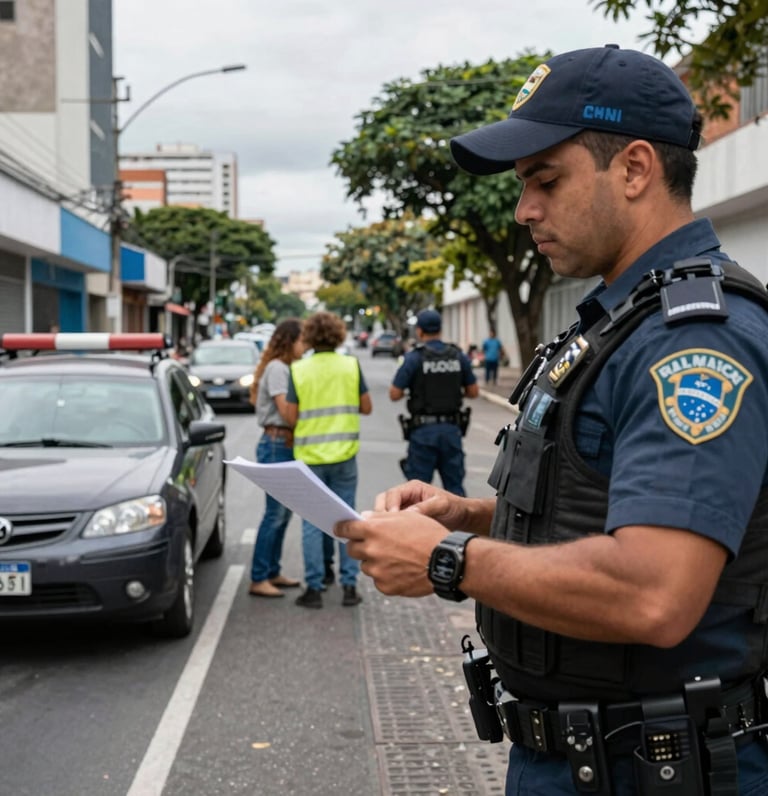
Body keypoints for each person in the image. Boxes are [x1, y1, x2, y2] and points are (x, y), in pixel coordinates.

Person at [336, 45, 768, 795]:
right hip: (582, 758)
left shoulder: (695, 340)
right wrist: (466, 515)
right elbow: (593, 504)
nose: (524, 208)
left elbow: (655, 591)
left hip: (657, 769)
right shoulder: (616, 324)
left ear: (634, 169)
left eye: (545, 179)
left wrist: (449, 560)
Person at [285, 311, 372, 609]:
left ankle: (315, 588)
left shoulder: (298, 370)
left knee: (312, 522)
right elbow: (367, 406)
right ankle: (349, 587)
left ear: (308, 335)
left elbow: (292, 417)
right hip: (345, 454)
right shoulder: (351, 365)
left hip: (309, 456)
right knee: (347, 519)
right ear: (338, 334)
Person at [390, 309, 478, 496]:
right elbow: (473, 392)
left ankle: (421, 526)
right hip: (451, 431)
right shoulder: (458, 356)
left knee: (417, 493)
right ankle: (452, 526)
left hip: (423, 432)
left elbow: (394, 393)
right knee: (455, 491)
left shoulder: (413, 358)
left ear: (420, 331)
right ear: (440, 329)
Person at [247, 318, 305, 597]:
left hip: (282, 444)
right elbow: (288, 413)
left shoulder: (284, 367)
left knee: (283, 514)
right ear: (289, 341)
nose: (305, 347)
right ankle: (259, 577)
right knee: (274, 514)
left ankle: (272, 571)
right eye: (302, 341)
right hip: (276, 444)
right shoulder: (278, 369)